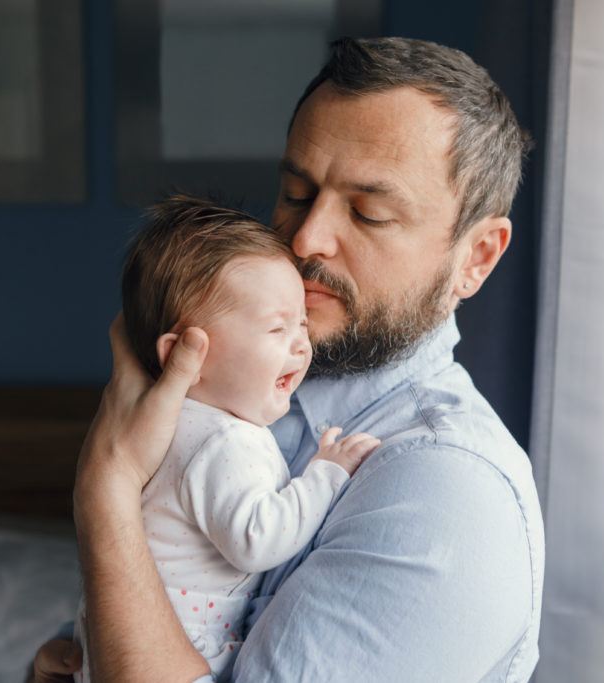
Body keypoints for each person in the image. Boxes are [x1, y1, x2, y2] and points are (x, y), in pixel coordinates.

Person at [32, 36, 544, 683]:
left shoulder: (444, 496)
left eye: (368, 212)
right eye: (297, 193)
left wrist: (102, 491)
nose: (305, 239)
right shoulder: (231, 387)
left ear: (476, 258)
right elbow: (126, 607)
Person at [72, 196, 380, 682]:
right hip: (181, 638)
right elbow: (257, 540)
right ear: (184, 356)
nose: (302, 343)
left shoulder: (164, 427)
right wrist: (327, 472)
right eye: (277, 327)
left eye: (301, 321)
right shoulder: (223, 441)